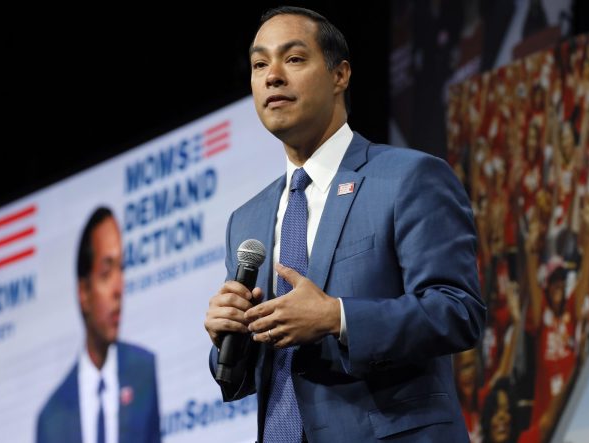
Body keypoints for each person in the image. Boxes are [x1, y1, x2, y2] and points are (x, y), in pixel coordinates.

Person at [203, 6, 485, 442]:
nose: (272, 76)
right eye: (260, 65)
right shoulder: (247, 220)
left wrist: (337, 316)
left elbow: (457, 310)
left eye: (293, 59)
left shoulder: (407, 178)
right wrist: (229, 336)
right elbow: (240, 379)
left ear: (340, 75)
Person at [37, 206, 161, 443]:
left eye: (121, 269)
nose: (118, 288)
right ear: (84, 292)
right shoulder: (51, 419)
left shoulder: (143, 370)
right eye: (106, 273)